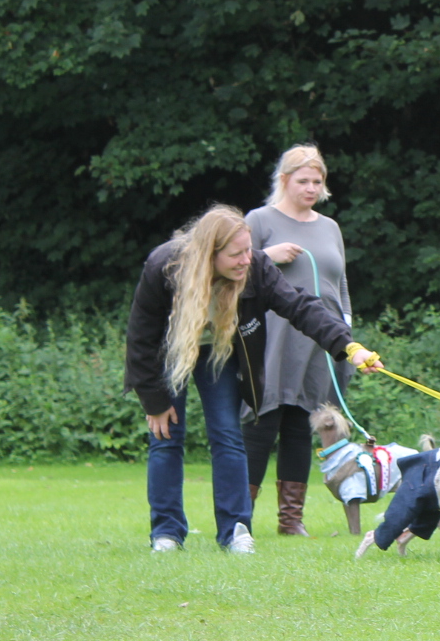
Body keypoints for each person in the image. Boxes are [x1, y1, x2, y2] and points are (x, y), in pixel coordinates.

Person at [125, 205, 375, 554]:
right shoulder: (164, 266)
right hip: (170, 350)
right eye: (236, 254)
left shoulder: (256, 267)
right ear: (209, 254)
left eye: (248, 250)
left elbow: (300, 306)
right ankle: (166, 534)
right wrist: (153, 400)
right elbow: (140, 336)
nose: (247, 259)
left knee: (228, 435)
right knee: (165, 436)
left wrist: (349, 346)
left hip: (219, 351)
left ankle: (235, 531)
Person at [244, 144, 355, 537]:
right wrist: (266, 255)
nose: (311, 188)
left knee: (300, 424)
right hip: (272, 338)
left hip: (319, 340)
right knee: (261, 421)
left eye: (317, 181)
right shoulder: (259, 220)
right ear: (284, 180)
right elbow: (232, 270)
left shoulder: (330, 227)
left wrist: (346, 331)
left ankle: (291, 521)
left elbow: (341, 284)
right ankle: (239, 516)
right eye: (303, 180)